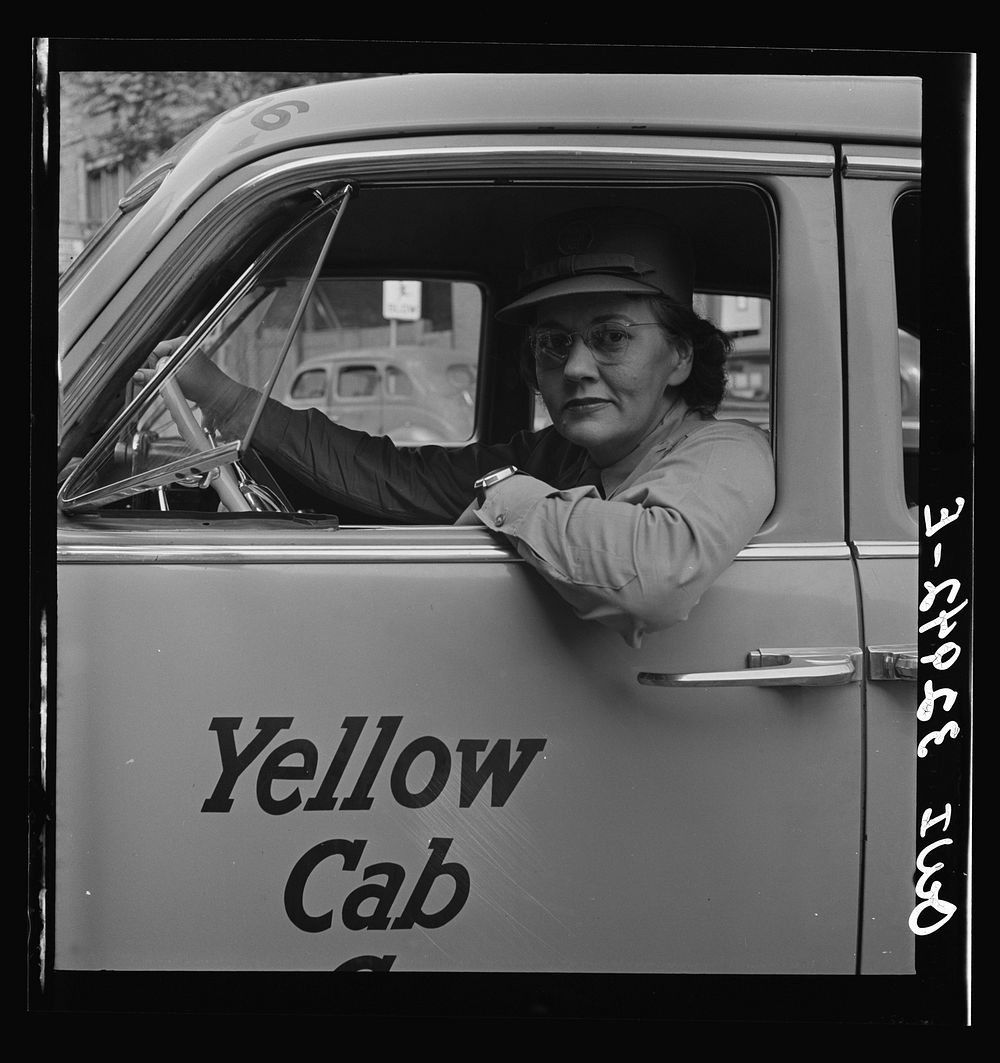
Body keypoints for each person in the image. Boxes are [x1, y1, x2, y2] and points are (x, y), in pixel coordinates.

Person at [161, 206, 775, 647]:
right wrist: (218, 395)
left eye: (611, 337)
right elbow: (394, 478)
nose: (577, 367)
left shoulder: (726, 451)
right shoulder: (561, 457)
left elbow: (653, 578)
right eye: (552, 343)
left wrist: (502, 495)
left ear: (681, 355)